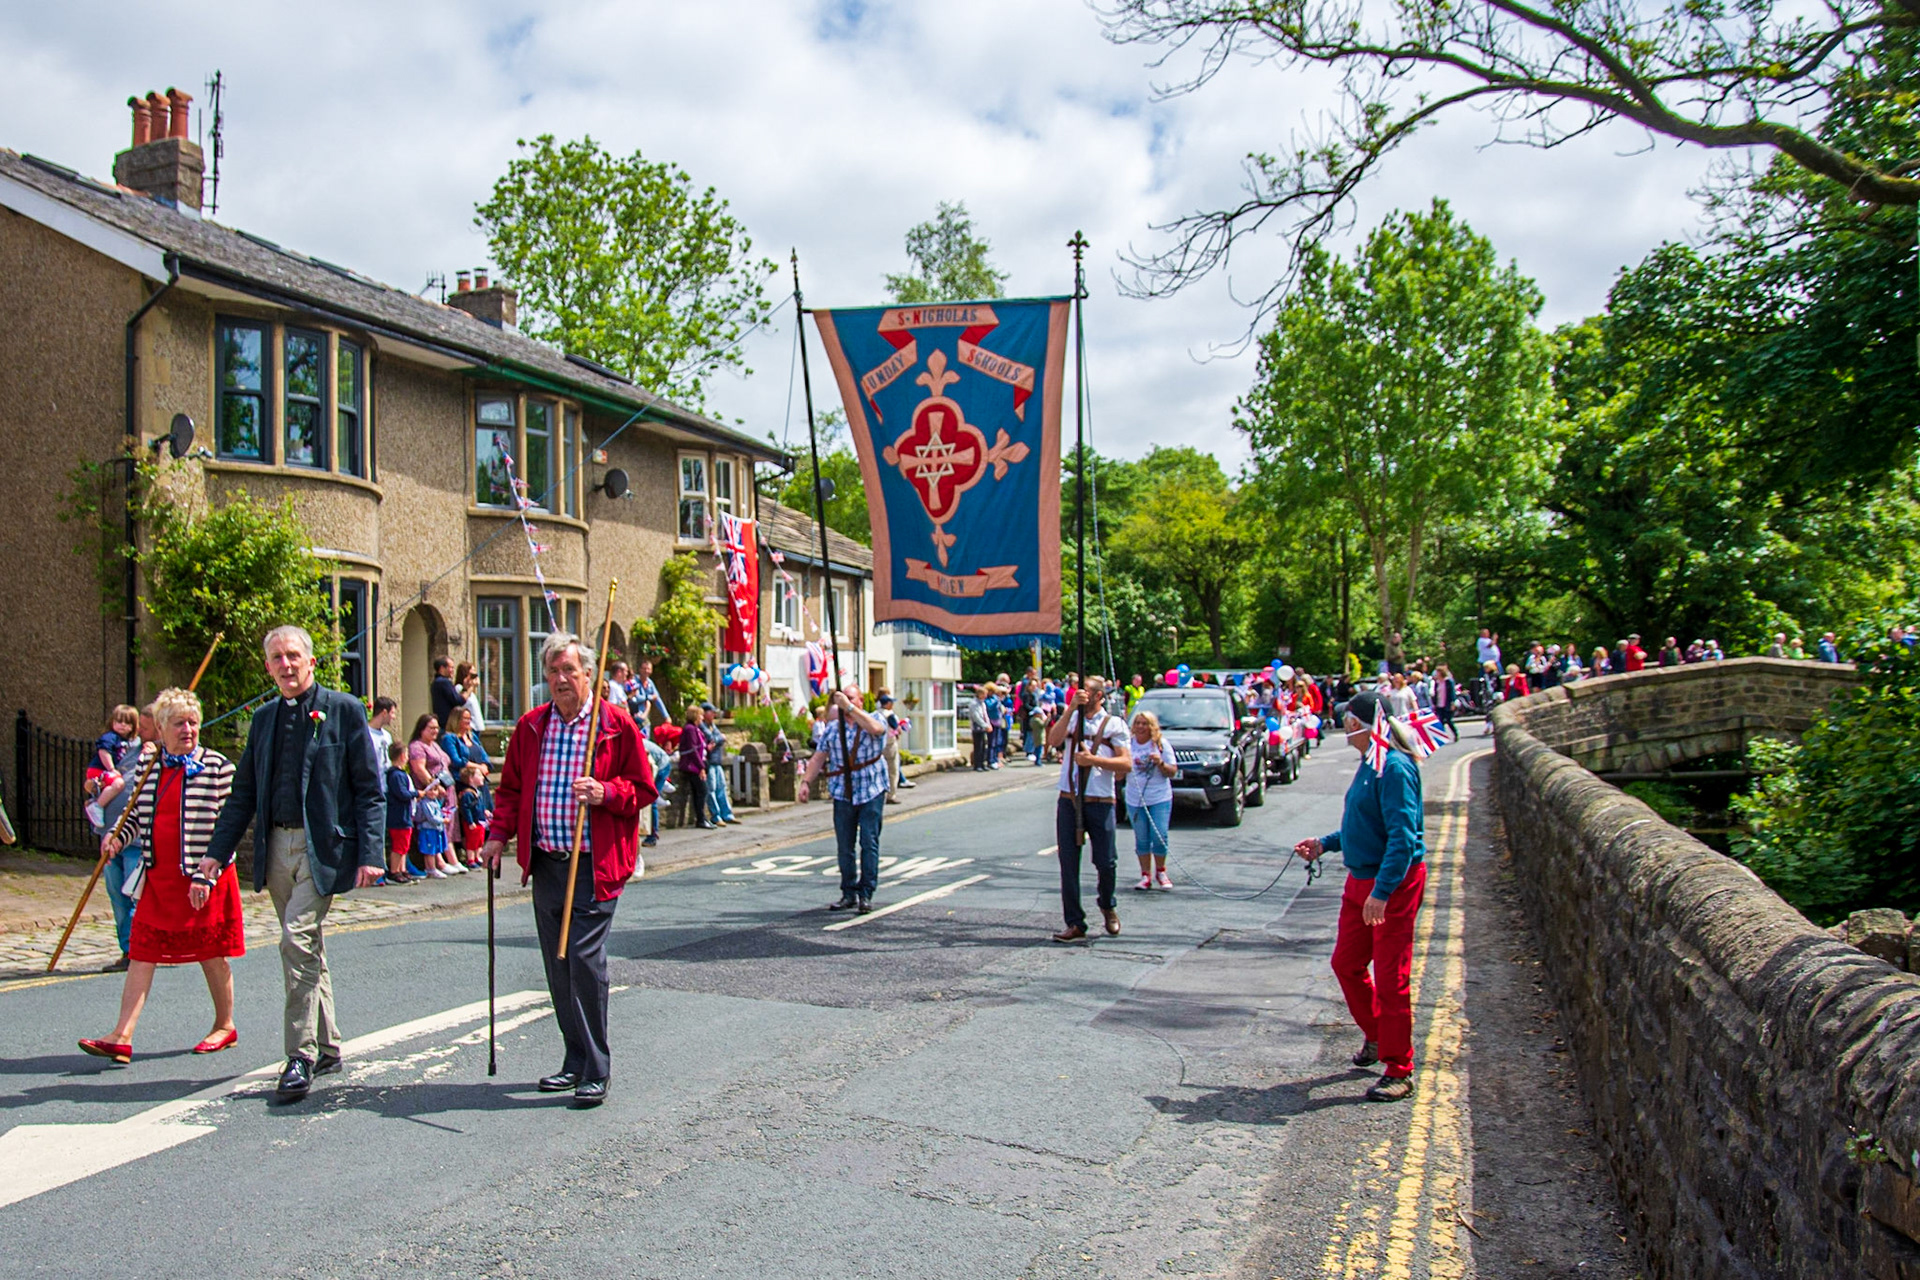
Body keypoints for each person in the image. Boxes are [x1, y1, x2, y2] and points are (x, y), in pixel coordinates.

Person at [203, 625, 384, 1102]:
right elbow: (242, 795)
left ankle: (299, 1055)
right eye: (277, 658)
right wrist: (215, 856)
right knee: (308, 949)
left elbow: (369, 789)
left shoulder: (343, 710)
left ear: (310, 661)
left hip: (322, 849)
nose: (286, 665)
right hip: (276, 849)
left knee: (295, 938)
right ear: (268, 666)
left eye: (293, 656)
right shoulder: (263, 720)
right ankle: (328, 1047)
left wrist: (371, 854)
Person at [481, 631, 655, 1107]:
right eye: (553, 672)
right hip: (548, 863)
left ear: (588, 676)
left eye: (570, 671)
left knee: (582, 959)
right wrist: (497, 837)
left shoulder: (614, 725)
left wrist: (607, 793)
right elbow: (512, 790)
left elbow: (642, 788)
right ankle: (574, 1060)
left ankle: (596, 1068)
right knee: (557, 966)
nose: (561, 679)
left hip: (595, 865)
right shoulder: (532, 726)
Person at [80, 688, 245, 1065]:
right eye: (178, 723)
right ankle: (122, 1035)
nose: (188, 730)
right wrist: (117, 839)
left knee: (212, 953)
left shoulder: (219, 766)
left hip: (203, 878)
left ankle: (224, 1024)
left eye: (193, 723)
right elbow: (135, 817)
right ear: (162, 728)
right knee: (142, 952)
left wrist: (208, 873)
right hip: (159, 877)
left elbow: (229, 826)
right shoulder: (149, 766)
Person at [1293, 690, 1428, 1103]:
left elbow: (1403, 841)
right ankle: (1377, 1036)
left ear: (1359, 723)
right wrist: (1326, 844)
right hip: (1363, 881)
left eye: (1347, 719)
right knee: (1347, 963)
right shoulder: (1372, 762)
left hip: (1391, 886)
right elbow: (1362, 826)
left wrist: (1383, 893)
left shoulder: (1394, 768)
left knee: (1391, 979)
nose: (1342, 725)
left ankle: (1399, 1068)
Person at [1045, 675, 1130, 942]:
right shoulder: (1072, 719)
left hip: (1100, 800)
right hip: (1069, 799)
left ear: (1099, 696)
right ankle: (1075, 921)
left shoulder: (1114, 723)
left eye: (1086, 694)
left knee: (1106, 862)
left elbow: (1125, 763)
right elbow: (1053, 740)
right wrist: (1070, 708)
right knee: (1068, 863)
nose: (1081, 697)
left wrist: (1092, 759)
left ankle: (1107, 904)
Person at [798, 686, 891, 914]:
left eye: (851, 698)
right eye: (842, 699)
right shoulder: (832, 728)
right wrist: (805, 783)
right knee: (844, 846)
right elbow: (819, 757)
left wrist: (848, 707)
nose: (844, 703)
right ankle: (848, 892)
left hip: (871, 788)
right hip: (843, 791)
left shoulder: (875, 717)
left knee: (869, 842)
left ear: (860, 700)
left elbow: (876, 729)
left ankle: (866, 893)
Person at [91, 706, 156, 971]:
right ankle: (127, 949)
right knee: (117, 898)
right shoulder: (122, 750)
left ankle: (138, 952)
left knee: (134, 898)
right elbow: (102, 777)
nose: (139, 731)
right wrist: (94, 786)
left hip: (137, 841)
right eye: (138, 725)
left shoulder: (157, 756)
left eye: (145, 726)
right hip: (110, 835)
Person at [1126, 709, 1178, 891]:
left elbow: (1172, 771)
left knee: (1159, 835)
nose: (1140, 727)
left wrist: (1160, 763)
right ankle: (1145, 875)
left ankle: (1161, 871)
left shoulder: (1160, 744)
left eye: (1145, 724)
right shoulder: (1128, 744)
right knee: (1141, 838)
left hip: (1159, 797)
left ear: (1152, 727)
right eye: (1138, 723)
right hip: (1135, 798)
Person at [407, 713, 461, 877]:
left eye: (437, 728)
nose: (435, 731)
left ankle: (450, 860)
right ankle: (438, 863)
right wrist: (435, 787)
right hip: (431, 795)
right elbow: (419, 769)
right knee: (434, 828)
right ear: (421, 729)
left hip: (445, 793)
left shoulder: (435, 745)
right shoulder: (417, 746)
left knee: (446, 827)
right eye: (431, 728)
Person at [84, 704, 140, 828]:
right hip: (98, 770)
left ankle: (96, 803)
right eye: (119, 721)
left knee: (112, 786)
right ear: (113, 722)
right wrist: (111, 769)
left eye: (127, 723)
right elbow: (103, 752)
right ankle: (97, 806)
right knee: (118, 784)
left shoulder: (127, 741)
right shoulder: (110, 737)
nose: (123, 725)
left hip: (102, 771)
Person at [382, 742, 417, 885]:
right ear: (402, 756)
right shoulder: (396, 775)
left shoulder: (400, 774)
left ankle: (402, 869)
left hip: (404, 815)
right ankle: (394, 871)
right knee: (398, 845)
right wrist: (416, 793)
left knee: (404, 845)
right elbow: (401, 793)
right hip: (398, 816)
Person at [701, 702, 741, 826]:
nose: (714, 714)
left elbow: (718, 737)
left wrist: (718, 739)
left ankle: (727, 814)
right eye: (711, 712)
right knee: (711, 789)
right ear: (704, 713)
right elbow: (712, 738)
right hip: (709, 761)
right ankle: (716, 816)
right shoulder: (702, 726)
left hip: (717, 760)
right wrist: (719, 738)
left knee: (722, 788)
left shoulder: (712, 725)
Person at [677, 708, 713, 829]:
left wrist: (708, 748)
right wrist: (701, 768)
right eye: (701, 715)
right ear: (695, 716)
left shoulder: (694, 729)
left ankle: (701, 818)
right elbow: (693, 750)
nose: (702, 718)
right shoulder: (690, 729)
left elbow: (699, 747)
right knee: (702, 791)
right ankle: (701, 820)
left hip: (695, 766)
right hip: (692, 767)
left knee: (699, 792)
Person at [456, 764, 492, 867]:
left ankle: (477, 857)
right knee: (472, 842)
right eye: (479, 775)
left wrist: (484, 811)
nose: (482, 777)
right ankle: (471, 859)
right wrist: (470, 821)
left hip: (480, 821)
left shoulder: (478, 792)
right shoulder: (468, 794)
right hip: (473, 822)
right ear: (471, 779)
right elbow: (466, 809)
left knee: (479, 840)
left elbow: (479, 805)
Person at [878, 691, 905, 804]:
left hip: (878, 746)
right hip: (889, 745)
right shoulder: (890, 715)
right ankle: (891, 795)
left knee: (879, 771)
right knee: (892, 771)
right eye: (891, 702)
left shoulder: (876, 714)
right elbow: (897, 729)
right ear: (888, 703)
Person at [632, 658, 671, 727]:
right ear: (640, 669)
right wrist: (649, 697)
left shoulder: (650, 683)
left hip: (644, 716)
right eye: (644, 668)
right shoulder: (634, 681)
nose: (646, 671)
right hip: (634, 715)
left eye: (648, 669)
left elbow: (657, 699)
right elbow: (636, 698)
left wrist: (666, 716)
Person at [431, 656, 463, 730]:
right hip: (447, 724)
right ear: (442, 668)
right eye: (451, 667)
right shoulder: (444, 682)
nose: (452, 670)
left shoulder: (436, 682)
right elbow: (457, 701)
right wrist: (468, 690)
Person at [367, 696, 397, 770]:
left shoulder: (387, 736)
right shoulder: (366, 734)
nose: (394, 717)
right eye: (392, 713)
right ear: (384, 713)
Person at [1430, 665, 1457, 737]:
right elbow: (1436, 693)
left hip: (1447, 704)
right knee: (1440, 721)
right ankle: (1443, 735)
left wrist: (1453, 703)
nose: (1436, 674)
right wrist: (1434, 703)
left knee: (1449, 720)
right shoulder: (1437, 682)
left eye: (1438, 672)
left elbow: (1452, 693)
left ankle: (1455, 733)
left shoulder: (1448, 681)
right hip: (1439, 704)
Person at [969, 688, 992, 771]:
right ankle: (977, 764)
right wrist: (984, 725)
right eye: (984, 694)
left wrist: (988, 724)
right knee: (978, 746)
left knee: (983, 746)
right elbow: (976, 717)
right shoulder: (974, 703)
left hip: (983, 728)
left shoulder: (982, 703)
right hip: (976, 728)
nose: (985, 696)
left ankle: (982, 763)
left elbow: (985, 715)